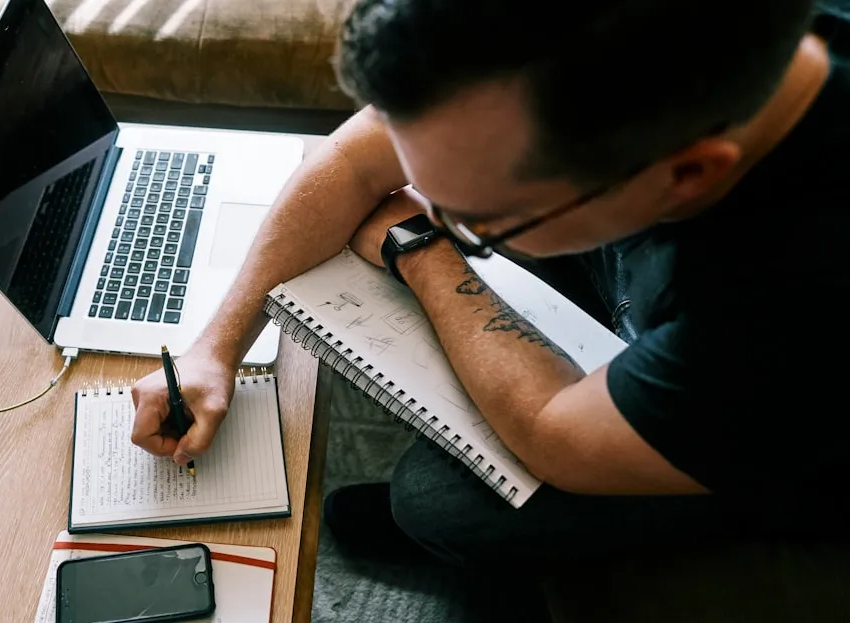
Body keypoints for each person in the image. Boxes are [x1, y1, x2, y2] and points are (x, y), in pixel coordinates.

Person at [129, 0, 850, 567]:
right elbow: (355, 163)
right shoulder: (603, 64)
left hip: (781, 431)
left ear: (687, 174)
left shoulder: (783, 309)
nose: (422, 201)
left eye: (478, 220)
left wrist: (421, 244)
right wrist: (215, 348)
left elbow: (554, 433)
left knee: (438, 505)